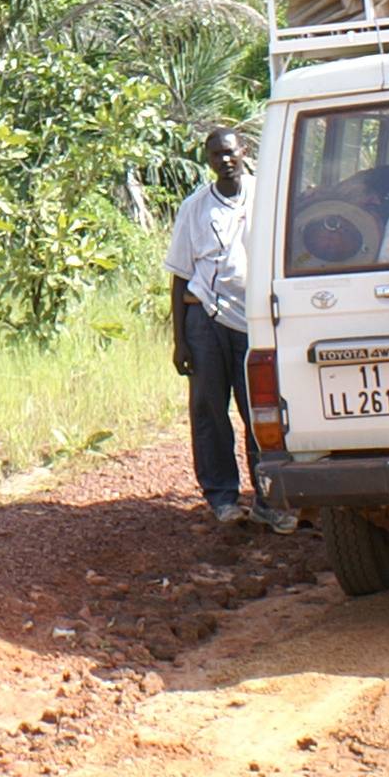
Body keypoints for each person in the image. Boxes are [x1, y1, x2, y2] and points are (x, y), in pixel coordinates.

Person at [165, 127, 255, 524]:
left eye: (230, 152)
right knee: (209, 409)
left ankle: (271, 497)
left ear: (244, 151)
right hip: (207, 318)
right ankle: (222, 497)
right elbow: (180, 276)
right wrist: (180, 340)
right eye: (216, 155)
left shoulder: (267, 195)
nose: (225, 160)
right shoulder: (195, 208)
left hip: (257, 320)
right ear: (208, 159)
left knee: (261, 410)